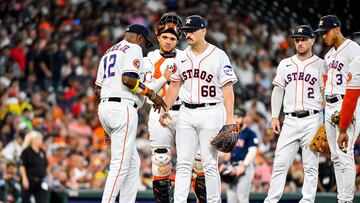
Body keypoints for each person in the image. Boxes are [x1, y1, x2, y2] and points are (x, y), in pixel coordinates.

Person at [159, 15, 238, 202]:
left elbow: (228, 89)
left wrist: (230, 117)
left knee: (209, 163)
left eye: (192, 30)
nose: (188, 34)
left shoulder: (218, 55)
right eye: (186, 31)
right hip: (186, 112)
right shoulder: (182, 56)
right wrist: (165, 109)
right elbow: (175, 86)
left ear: (203, 31)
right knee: (184, 163)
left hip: (211, 111)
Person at [94, 24, 166, 203]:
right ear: (140, 38)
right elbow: (128, 80)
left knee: (133, 164)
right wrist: (152, 94)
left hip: (106, 107)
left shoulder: (108, 51)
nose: (143, 48)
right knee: (120, 165)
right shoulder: (133, 48)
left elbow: (97, 89)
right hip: (122, 108)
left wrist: (107, 123)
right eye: (145, 44)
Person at [143, 13, 206, 203]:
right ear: (158, 36)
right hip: (159, 113)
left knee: (199, 161)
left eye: (172, 38)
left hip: (186, 111)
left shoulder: (188, 57)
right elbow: (145, 92)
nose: (168, 41)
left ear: (179, 39)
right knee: (161, 161)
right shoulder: (149, 59)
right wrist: (164, 78)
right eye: (165, 37)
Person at [264, 25, 325, 203]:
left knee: (311, 165)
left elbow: (325, 94)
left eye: (303, 39)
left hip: (313, 118)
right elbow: (278, 90)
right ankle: (271, 200)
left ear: (313, 40)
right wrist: (275, 116)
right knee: (279, 163)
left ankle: (307, 200)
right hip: (289, 120)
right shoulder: (285, 63)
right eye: (297, 40)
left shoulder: (322, 64)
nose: (299, 42)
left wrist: (326, 120)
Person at [315, 15, 360, 203]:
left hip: (347, 103)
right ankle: (342, 198)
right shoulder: (328, 55)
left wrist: (343, 126)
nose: (323, 36)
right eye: (321, 33)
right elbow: (325, 76)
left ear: (336, 29)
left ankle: (346, 200)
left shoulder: (354, 50)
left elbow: (353, 90)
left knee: (345, 153)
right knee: (335, 157)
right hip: (331, 105)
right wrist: (326, 100)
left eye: (326, 32)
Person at [219, 109, 258, 203]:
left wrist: (244, 165)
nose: (236, 119)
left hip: (244, 167)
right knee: (231, 199)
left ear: (244, 118)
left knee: (242, 199)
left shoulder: (250, 133)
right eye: (234, 117)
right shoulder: (230, 132)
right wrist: (224, 163)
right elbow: (227, 151)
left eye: (238, 117)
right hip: (231, 166)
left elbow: (253, 151)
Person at [19, 131, 49, 203]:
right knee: (26, 200)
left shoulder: (42, 152)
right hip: (29, 179)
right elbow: (22, 166)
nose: (42, 141)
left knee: (42, 200)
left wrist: (47, 177)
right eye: (40, 139)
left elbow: (46, 166)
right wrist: (24, 178)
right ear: (34, 140)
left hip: (41, 180)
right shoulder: (26, 151)